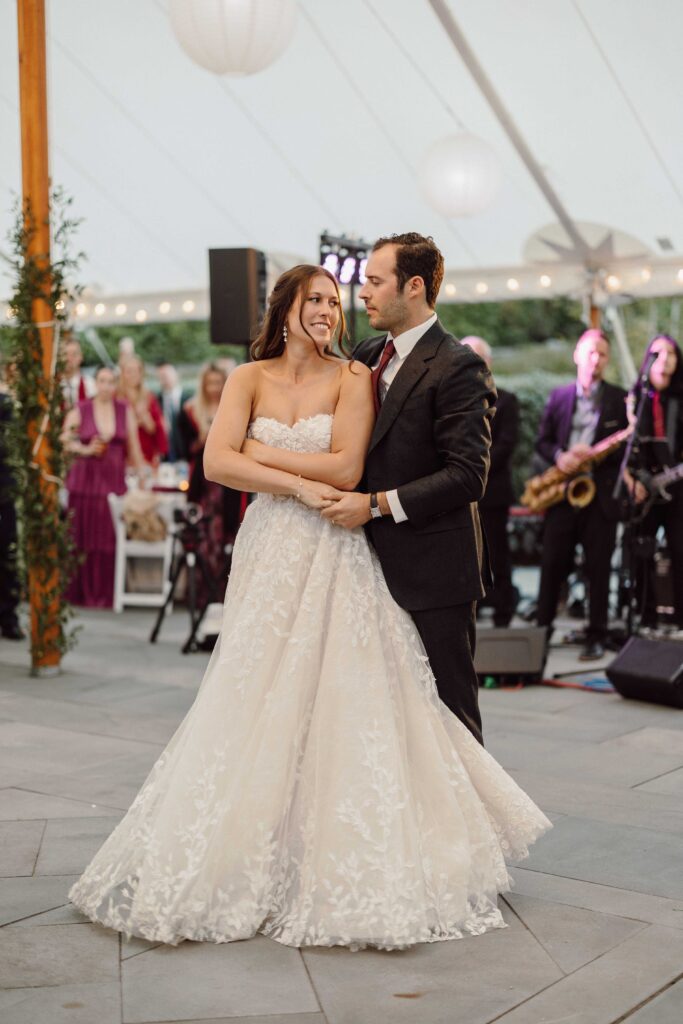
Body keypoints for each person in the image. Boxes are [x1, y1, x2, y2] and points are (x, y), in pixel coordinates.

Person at [69, 262, 549, 951]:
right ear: (285, 307)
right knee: (253, 687)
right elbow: (214, 465)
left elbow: (346, 469)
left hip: (332, 546)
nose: (329, 309)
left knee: (340, 693)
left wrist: (257, 455)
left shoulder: (352, 377)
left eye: (335, 300)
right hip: (269, 547)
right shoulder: (247, 377)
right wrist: (287, 479)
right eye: (315, 299)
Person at [313, 233, 495, 744]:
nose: (362, 292)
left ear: (413, 286)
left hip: (434, 571)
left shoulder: (459, 365)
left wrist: (373, 507)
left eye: (375, 281)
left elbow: (467, 475)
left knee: (450, 714)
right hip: (363, 566)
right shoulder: (369, 352)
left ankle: (471, 824)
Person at [534, 328, 629, 660]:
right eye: (590, 352)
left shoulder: (620, 399)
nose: (596, 359)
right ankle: (540, 633)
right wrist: (561, 456)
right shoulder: (559, 396)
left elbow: (624, 449)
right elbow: (542, 440)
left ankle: (597, 635)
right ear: (577, 355)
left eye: (602, 354)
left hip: (598, 496)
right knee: (551, 565)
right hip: (563, 491)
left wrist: (595, 455)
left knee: (598, 568)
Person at [62, 366, 145, 608]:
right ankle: (79, 593)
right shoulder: (82, 408)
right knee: (81, 536)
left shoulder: (124, 409)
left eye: (111, 381)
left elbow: (135, 446)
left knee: (109, 538)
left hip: (113, 482)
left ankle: (107, 593)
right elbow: (64, 439)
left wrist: (141, 476)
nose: (106, 386)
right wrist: (85, 449)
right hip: (85, 481)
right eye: (102, 381)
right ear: (95, 383)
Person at [624, 334, 683, 637]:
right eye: (658, 353)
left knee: (679, 549)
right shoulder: (635, 398)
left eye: (671, 353)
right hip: (643, 488)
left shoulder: (680, 399)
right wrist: (632, 479)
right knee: (640, 550)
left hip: (677, 487)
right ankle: (645, 616)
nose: (665, 359)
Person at [461, 335, 519, 627]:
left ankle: (503, 610)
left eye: (479, 358)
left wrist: (470, 467)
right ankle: (476, 606)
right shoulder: (453, 400)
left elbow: (505, 445)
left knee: (497, 554)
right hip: (460, 494)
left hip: (493, 493)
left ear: (489, 363)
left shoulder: (507, 400)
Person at [179, 362, 241, 592]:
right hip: (202, 482)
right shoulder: (189, 411)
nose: (214, 387)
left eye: (218, 382)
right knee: (203, 532)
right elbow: (184, 448)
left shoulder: (233, 408)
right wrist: (202, 441)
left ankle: (223, 589)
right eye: (210, 383)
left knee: (227, 531)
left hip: (227, 483)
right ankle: (202, 589)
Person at [0, 372, 24, 639]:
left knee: (6, 552)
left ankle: (8, 617)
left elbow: (9, 447)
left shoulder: (4, 405)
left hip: (2, 491)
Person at [118, 356, 168, 468]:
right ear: (122, 374)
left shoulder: (149, 397)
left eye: (136, 371)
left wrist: (145, 417)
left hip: (147, 454)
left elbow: (156, 428)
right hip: (124, 455)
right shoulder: (116, 398)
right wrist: (135, 422)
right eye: (129, 371)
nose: (133, 375)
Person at [156, 361, 192, 463]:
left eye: (168, 375)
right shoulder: (156, 401)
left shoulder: (189, 399)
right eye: (162, 376)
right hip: (165, 456)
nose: (165, 379)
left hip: (186, 454)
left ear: (177, 375)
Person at [61, 335, 96, 410]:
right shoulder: (53, 387)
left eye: (74, 354)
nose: (69, 358)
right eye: (65, 354)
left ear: (81, 357)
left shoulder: (91, 386)